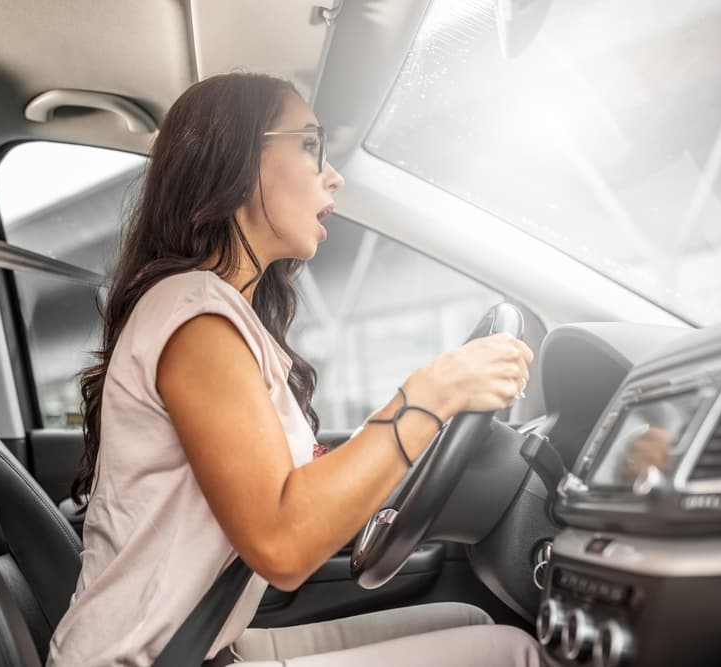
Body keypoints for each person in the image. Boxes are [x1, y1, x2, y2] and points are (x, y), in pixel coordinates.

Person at [46, 72, 539, 667]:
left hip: (202, 644)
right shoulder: (194, 317)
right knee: (514, 653)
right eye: (309, 145)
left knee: (469, 620)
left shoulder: (216, 312)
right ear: (239, 158)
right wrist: (434, 393)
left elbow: (289, 493)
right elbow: (283, 543)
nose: (332, 173)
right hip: (150, 659)